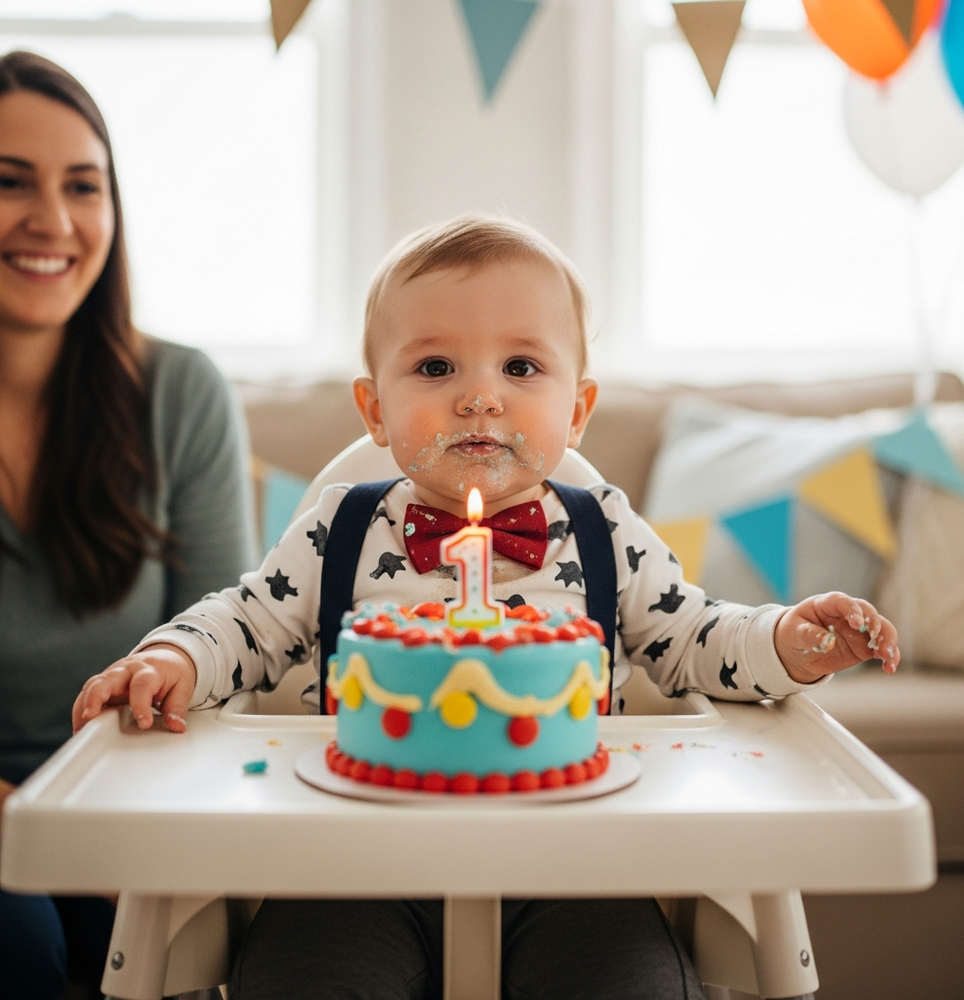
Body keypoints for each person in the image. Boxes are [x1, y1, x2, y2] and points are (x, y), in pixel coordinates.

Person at [73, 216, 899, 1000]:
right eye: (436, 368)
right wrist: (175, 656)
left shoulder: (603, 527)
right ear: (374, 409)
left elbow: (696, 637)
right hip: (356, 865)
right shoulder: (340, 525)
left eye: (521, 367)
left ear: (577, 410)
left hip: (577, 869)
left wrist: (790, 641)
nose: (479, 398)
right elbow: (247, 622)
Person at [0, 51, 256, 1000]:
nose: (53, 222)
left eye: (83, 186)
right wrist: (61, 842)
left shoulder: (180, 395)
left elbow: (221, 659)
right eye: (10, 183)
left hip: (133, 799)